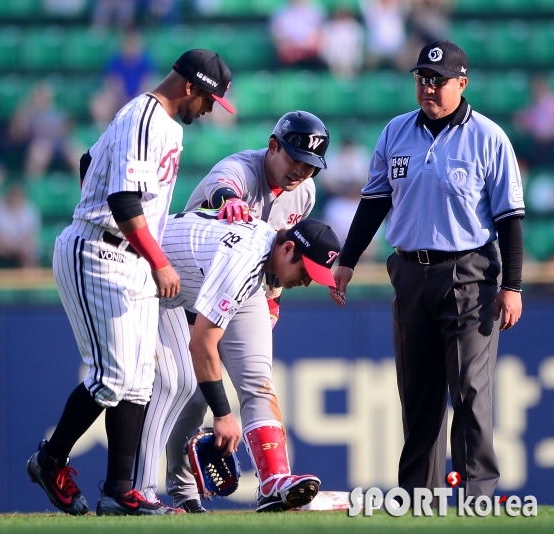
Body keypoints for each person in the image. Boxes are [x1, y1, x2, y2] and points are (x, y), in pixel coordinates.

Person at [26, 49, 235, 517]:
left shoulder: (161, 124)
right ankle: (50, 459)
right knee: (112, 377)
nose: (209, 108)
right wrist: (158, 261)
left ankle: (121, 491)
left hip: (130, 254)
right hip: (102, 249)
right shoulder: (144, 115)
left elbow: (89, 163)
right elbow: (122, 199)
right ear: (188, 86)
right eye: (208, 99)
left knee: (140, 380)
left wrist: (144, 254)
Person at [330, 41, 525, 506]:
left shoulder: (489, 137)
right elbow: (374, 202)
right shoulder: (396, 131)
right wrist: (348, 260)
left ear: (462, 82)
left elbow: (510, 220)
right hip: (410, 272)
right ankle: (420, 498)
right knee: (417, 394)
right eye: (422, 78)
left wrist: (513, 286)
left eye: (438, 80)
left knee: (471, 390)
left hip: (470, 273)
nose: (428, 87)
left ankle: (478, 496)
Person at [132, 111, 330, 513]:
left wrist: (272, 299)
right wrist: (231, 202)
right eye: (294, 158)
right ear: (273, 145)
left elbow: (290, 251)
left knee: (258, 379)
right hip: (190, 278)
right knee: (188, 390)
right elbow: (225, 190)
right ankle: (179, 490)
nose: (300, 170)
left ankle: (274, 480)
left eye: (310, 166)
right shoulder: (240, 167)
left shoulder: (304, 193)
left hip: (250, 281)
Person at [0, 182, 41, 268]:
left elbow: (29, 235)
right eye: (12, 194)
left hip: (23, 249)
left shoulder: (30, 210)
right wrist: (15, 248)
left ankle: (31, 277)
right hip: (3, 248)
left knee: (29, 249)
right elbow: (0, 238)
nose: (14, 198)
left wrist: (21, 247)